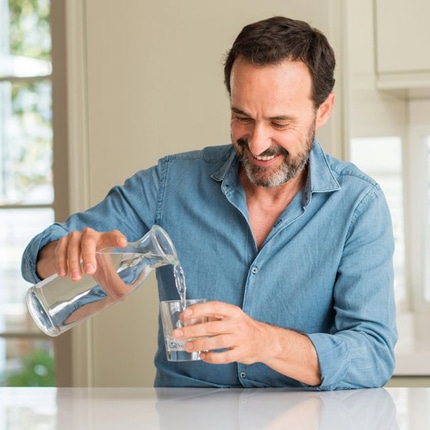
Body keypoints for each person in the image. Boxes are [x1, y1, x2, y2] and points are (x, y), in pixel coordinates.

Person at [22, 16, 397, 390]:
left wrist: (264, 342)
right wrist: (67, 253)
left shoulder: (358, 206)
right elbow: (37, 257)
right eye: (242, 117)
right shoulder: (171, 184)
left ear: (324, 110)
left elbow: (373, 355)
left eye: (280, 123)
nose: (257, 142)